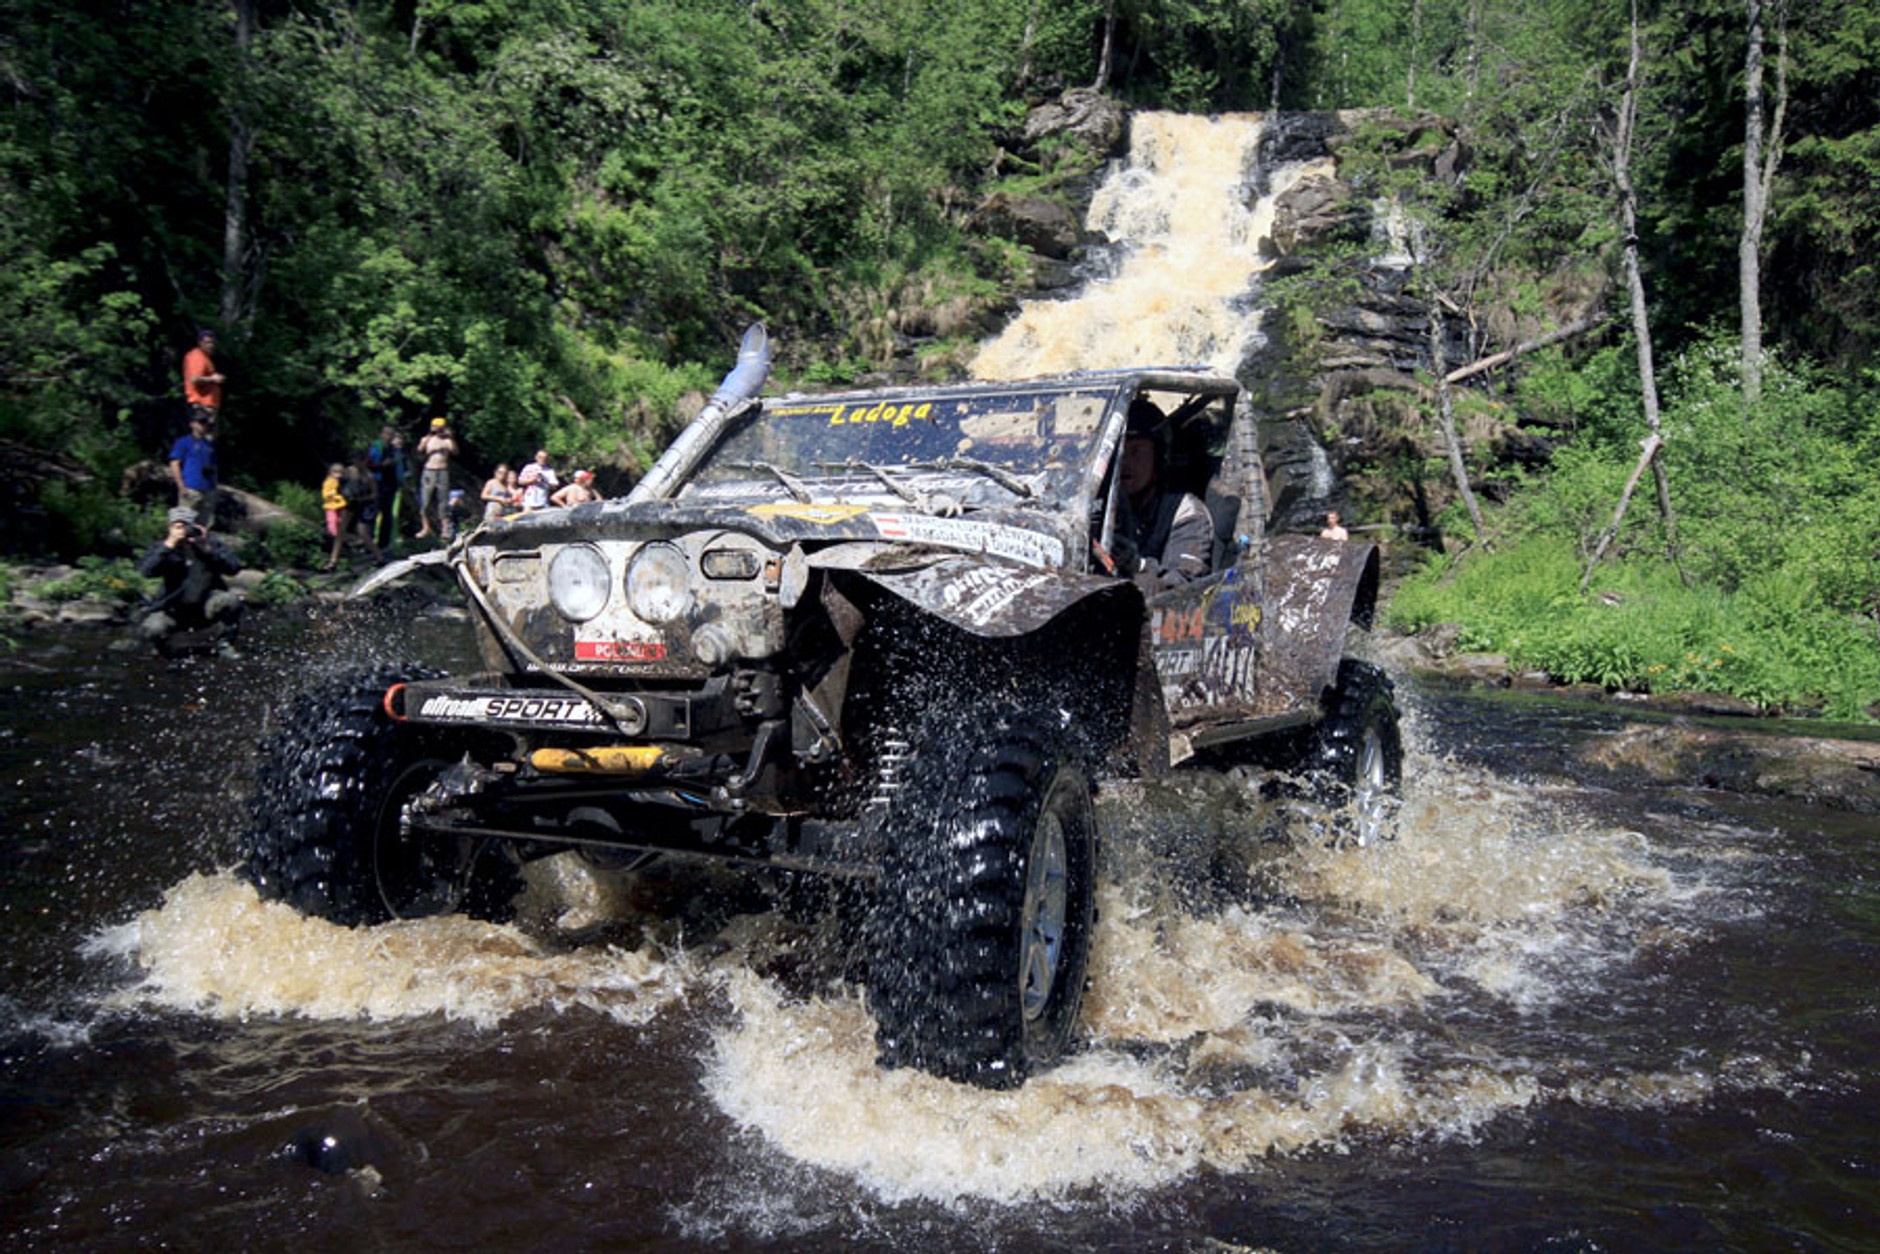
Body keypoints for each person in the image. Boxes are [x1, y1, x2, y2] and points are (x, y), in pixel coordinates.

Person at [1114, 398, 1214, 588]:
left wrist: (1139, 566)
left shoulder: (1185, 512)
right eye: (1120, 452)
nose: (1126, 463)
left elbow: (1182, 588)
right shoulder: (1097, 507)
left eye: (1136, 451)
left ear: (1159, 456)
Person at [137, 506, 244, 659]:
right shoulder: (163, 548)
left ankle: (225, 645)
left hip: (205, 604)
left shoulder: (209, 543)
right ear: (170, 528)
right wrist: (169, 545)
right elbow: (145, 571)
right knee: (154, 627)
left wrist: (206, 549)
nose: (184, 531)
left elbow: (234, 568)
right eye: (179, 527)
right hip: (174, 608)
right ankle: (163, 650)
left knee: (230, 601)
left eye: (187, 526)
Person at [168, 412, 219, 530]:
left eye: (206, 423)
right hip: (191, 487)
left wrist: (215, 486)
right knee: (183, 523)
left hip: (208, 488)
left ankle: (199, 546)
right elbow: (174, 463)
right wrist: (181, 486)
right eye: (201, 422)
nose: (204, 426)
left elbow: (214, 466)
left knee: (204, 525)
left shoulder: (209, 445)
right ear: (192, 424)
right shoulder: (183, 442)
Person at [366, 426, 409, 550]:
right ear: (381, 434)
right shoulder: (375, 447)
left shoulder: (395, 451)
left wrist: (401, 481)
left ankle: (383, 543)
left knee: (387, 513)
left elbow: (399, 468)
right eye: (386, 434)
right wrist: (382, 465)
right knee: (372, 512)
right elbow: (368, 464)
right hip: (376, 483)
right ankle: (369, 541)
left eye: (391, 434)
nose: (388, 437)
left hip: (390, 485)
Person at [416, 417, 458, 540]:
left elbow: (455, 452)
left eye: (441, 427)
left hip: (442, 470)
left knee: (443, 500)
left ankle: (445, 528)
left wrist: (450, 438)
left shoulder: (447, 441)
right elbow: (420, 450)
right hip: (429, 470)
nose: (439, 430)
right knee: (425, 501)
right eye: (436, 427)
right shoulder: (427, 439)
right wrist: (426, 442)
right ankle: (425, 527)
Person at [181, 328, 225, 433]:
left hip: (208, 404)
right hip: (201, 404)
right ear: (200, 343)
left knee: (208, 440)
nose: (211, 345)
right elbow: (194, 379)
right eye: (207, 342)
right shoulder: (197, 357)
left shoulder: (205, 358)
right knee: (201, 440)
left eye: (212, 342)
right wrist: (213, 379)